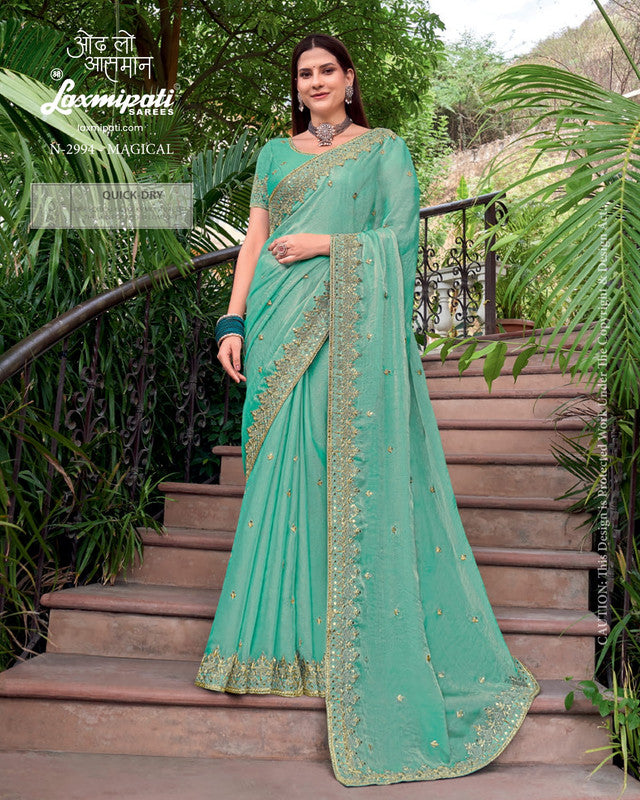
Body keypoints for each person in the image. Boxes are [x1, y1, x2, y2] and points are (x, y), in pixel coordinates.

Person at [194, 32, 540, 787]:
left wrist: (327, 242)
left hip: (344, 324)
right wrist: (232, 318)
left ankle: (340, 643)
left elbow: (398, 238)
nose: (315, 82)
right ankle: (273, 646)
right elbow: (254, 240)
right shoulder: (274, 155)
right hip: (276, 318)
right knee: (280, 468)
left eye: (327, 71)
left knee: (333, 464)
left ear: (349, 80)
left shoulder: (384, 149)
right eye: (304, 74)